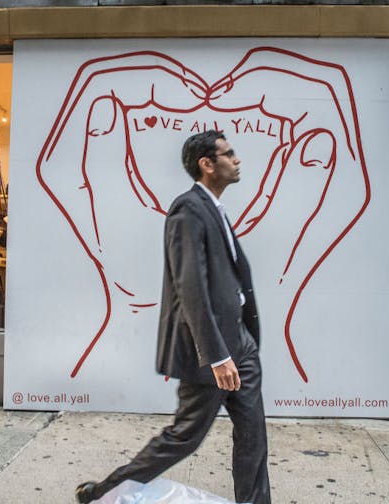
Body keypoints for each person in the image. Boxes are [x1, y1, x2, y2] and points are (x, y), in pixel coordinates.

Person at [75, 130, 270, 504]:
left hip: (240, 343)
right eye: (229, 154)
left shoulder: (215, 209)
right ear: (207, 164)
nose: (237, 160)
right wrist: (216, 355)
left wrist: (244, 336)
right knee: (184, 436)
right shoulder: (187, 210)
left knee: (253, 437)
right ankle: (102, 492)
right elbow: (189, 286)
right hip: (212, 350)